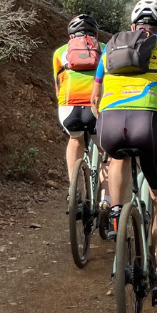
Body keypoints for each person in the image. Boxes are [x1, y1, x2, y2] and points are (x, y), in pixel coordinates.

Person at [91, 0, 157, 304]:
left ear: (133, 25)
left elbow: (96, 95)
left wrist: (104, 126)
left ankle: (115, 213)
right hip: (149, 123)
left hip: (109, 123)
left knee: (118, 155)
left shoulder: (112, 45)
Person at [53, 14, 108, 208]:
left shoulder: (60, 52)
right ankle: (106, 201)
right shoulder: (105, 49)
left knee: (75, 139)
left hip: (69, 108)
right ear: (95, 34)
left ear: (71, 36)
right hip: (96, 108)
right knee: (105, 152)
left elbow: (58, 88)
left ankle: (73, 188)